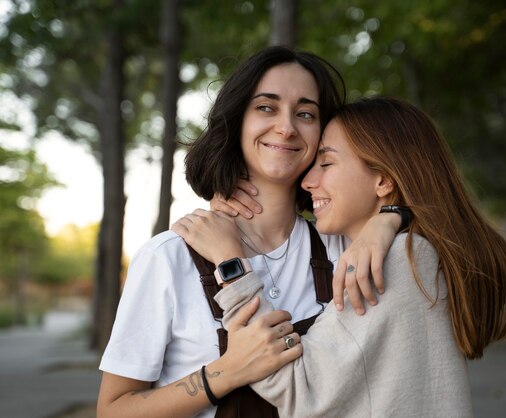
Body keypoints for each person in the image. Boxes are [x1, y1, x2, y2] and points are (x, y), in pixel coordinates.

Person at [97, 47, 401, 418]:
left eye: (305, 113)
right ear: (237, 120)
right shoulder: (169, 256)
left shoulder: (349, 244)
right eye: (266, 107)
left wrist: (390, 217)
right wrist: (224, 373)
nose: (287, 127)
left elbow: (452, 247)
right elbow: (112, 410)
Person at [177, 96, 506, 417]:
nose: (307, 180)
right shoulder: (419, 251)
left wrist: (230, 262)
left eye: (326, 162)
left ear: (384, 180)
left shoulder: (396, 261)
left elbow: (299, 389)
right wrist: (393, 215)